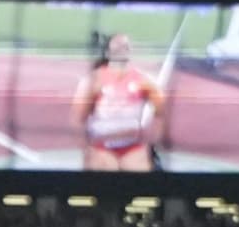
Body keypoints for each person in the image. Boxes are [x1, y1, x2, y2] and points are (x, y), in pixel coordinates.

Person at [70, 32, 167, 172]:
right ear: (108, 51)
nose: (122, 49)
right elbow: (78, 118)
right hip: (101, 147)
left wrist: (152, 142)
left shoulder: (143, 80)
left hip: (133, 148)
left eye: (126, 46)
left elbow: (161, 111)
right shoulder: (94, 80)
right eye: (118, 46)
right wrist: (86, 149)